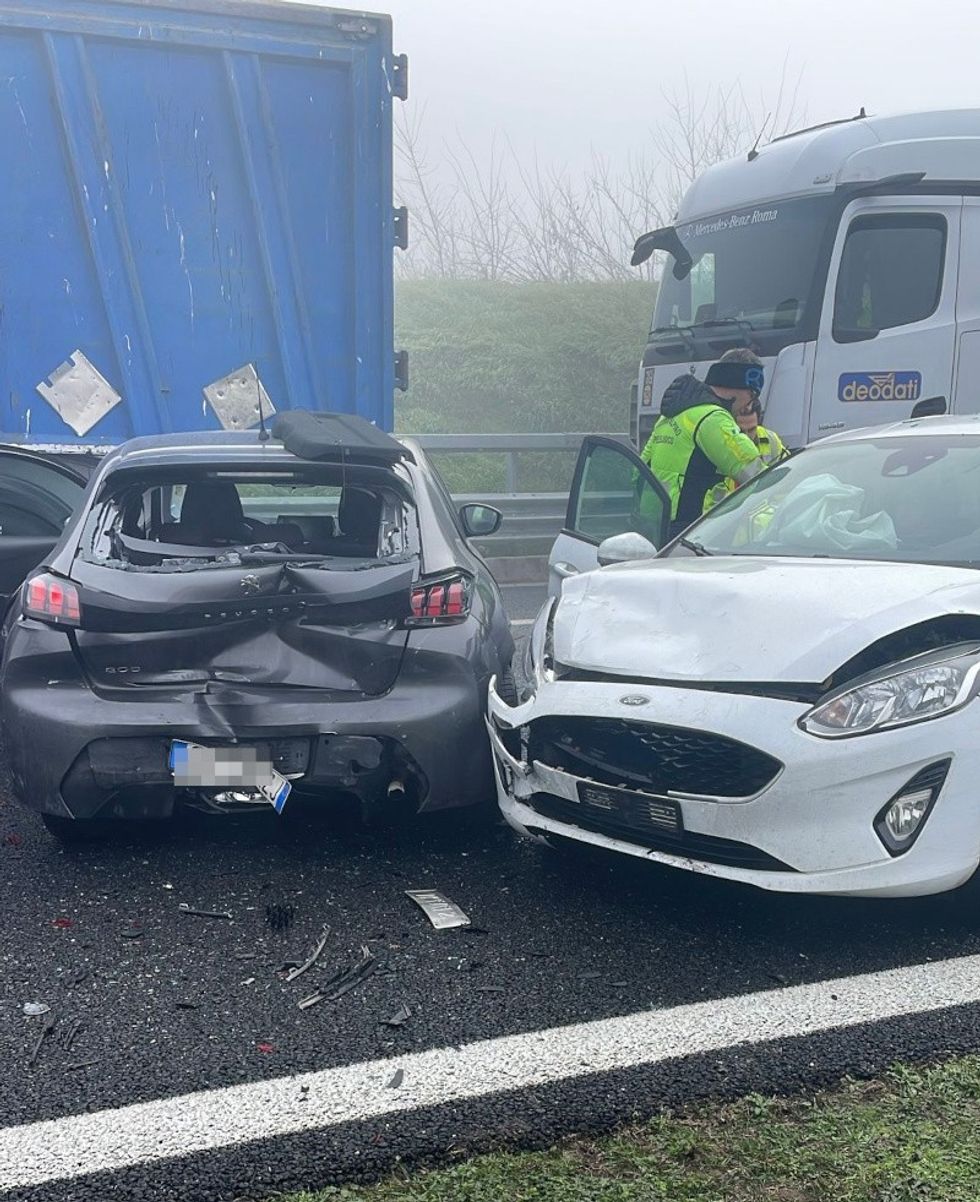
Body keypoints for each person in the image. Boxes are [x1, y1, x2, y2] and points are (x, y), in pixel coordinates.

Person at [641, 355, 764, 538]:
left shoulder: (673, 414)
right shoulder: (713, 418)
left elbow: (642, 466)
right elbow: (757, 474)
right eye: (752, 396)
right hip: (689, 529)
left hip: (653, 523)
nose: (749, 406)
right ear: (740, 389)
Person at [706, 348, 788, 509]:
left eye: (751, 431)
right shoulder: (714, 433)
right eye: (740, 432)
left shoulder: (770, 441)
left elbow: (787, 482)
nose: (746, 438)